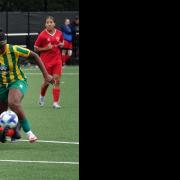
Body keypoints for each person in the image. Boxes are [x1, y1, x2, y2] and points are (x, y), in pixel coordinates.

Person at [0, 28, 54, 143]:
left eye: (2, 46)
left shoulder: (13, 49)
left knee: (13, 102)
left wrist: (46, 75)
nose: (1, 49)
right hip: (1, 85)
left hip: (17, 81)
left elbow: (35, 56)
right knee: (2, 116)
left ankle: (29, 133)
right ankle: (13, 130)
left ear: (5, 43)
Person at [34, 16, 64, 109]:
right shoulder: (42, 35)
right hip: (45, 62)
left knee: (56, 80)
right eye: (47, 22)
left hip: (57, 61)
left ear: (54, 23)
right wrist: (46, 48)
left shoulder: (59, 33)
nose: (49, 24)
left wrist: (61, 44)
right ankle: (42, 97)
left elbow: (62, 42)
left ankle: (55, 103)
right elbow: (35, 48)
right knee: (47, 82)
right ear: (45, 24)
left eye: (51, 22)